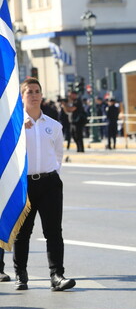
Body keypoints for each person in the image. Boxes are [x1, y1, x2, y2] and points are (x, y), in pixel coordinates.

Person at [13, 78, 76, 291]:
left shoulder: (53, 125)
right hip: (24, 185)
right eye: (29, 91)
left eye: (37, 91)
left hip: (49, 183)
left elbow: (58, 154)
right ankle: (21, 274)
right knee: (23, 232)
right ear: (22, 97)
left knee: (53, 231)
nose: (34, 95)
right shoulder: (14, 125)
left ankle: (57, 275)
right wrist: (20, 128)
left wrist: (53, 174)